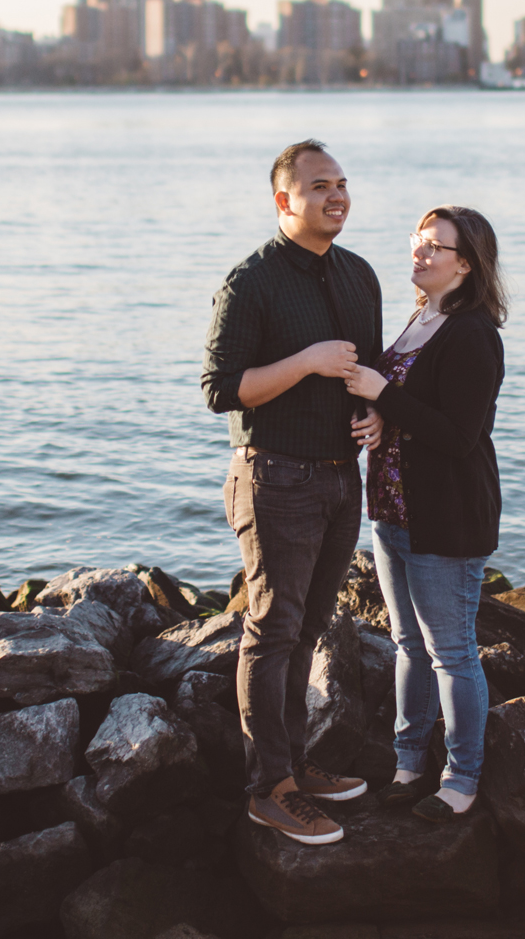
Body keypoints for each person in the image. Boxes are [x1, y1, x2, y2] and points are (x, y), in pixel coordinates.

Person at [201, 139, 385, 846]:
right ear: (285, 201)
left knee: (309, 630)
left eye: (341, 183)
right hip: (274, 476)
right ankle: (268, 788)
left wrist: (374, 412)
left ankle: (296, 766)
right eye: (317, 186)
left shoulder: (359, 276)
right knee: (272, 631)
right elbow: (221, 390)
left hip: (343, 476)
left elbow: (364, 372)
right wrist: (306, 361)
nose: (335, 196)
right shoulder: (252, 281)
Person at [340, 205, 506, 824]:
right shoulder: (420, 317)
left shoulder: (472, 334)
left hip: (447, 518)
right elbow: (411, 408)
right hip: (389, 511)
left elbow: (459, 435)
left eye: (436, 246)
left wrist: (382, 395)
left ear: (466, 264)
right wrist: (383, 416)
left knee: (453, 651)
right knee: (407, 643)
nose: (420, 251)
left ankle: (461, 779)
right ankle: (409, 763)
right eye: (419, 240)